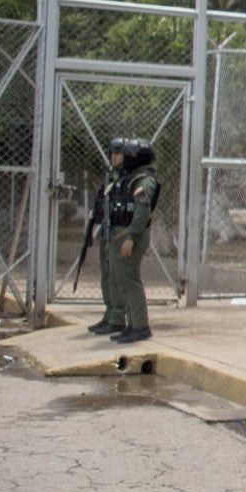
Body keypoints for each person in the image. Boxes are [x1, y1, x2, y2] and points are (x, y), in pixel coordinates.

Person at [103, 137, 162, 344]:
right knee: (122, 279)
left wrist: (131, 237)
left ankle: (141, 326)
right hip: (122, 234)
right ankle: (131, 324)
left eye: (127, 155)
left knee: (130, 279)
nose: (121, 158)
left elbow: (141, 213)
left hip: (132, 235)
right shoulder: (130, 177)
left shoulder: (145, 180)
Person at [85, 139, 129, 336]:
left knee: (115, 275)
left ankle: (118, 316)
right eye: (112, 153)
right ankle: (109, 312)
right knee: (105, 274)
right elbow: (100, 203)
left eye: (118, 153)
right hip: (106, 229)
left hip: (119, 231)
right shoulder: (110, 177)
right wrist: (92, 226)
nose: (114, 157)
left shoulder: (129, 178)